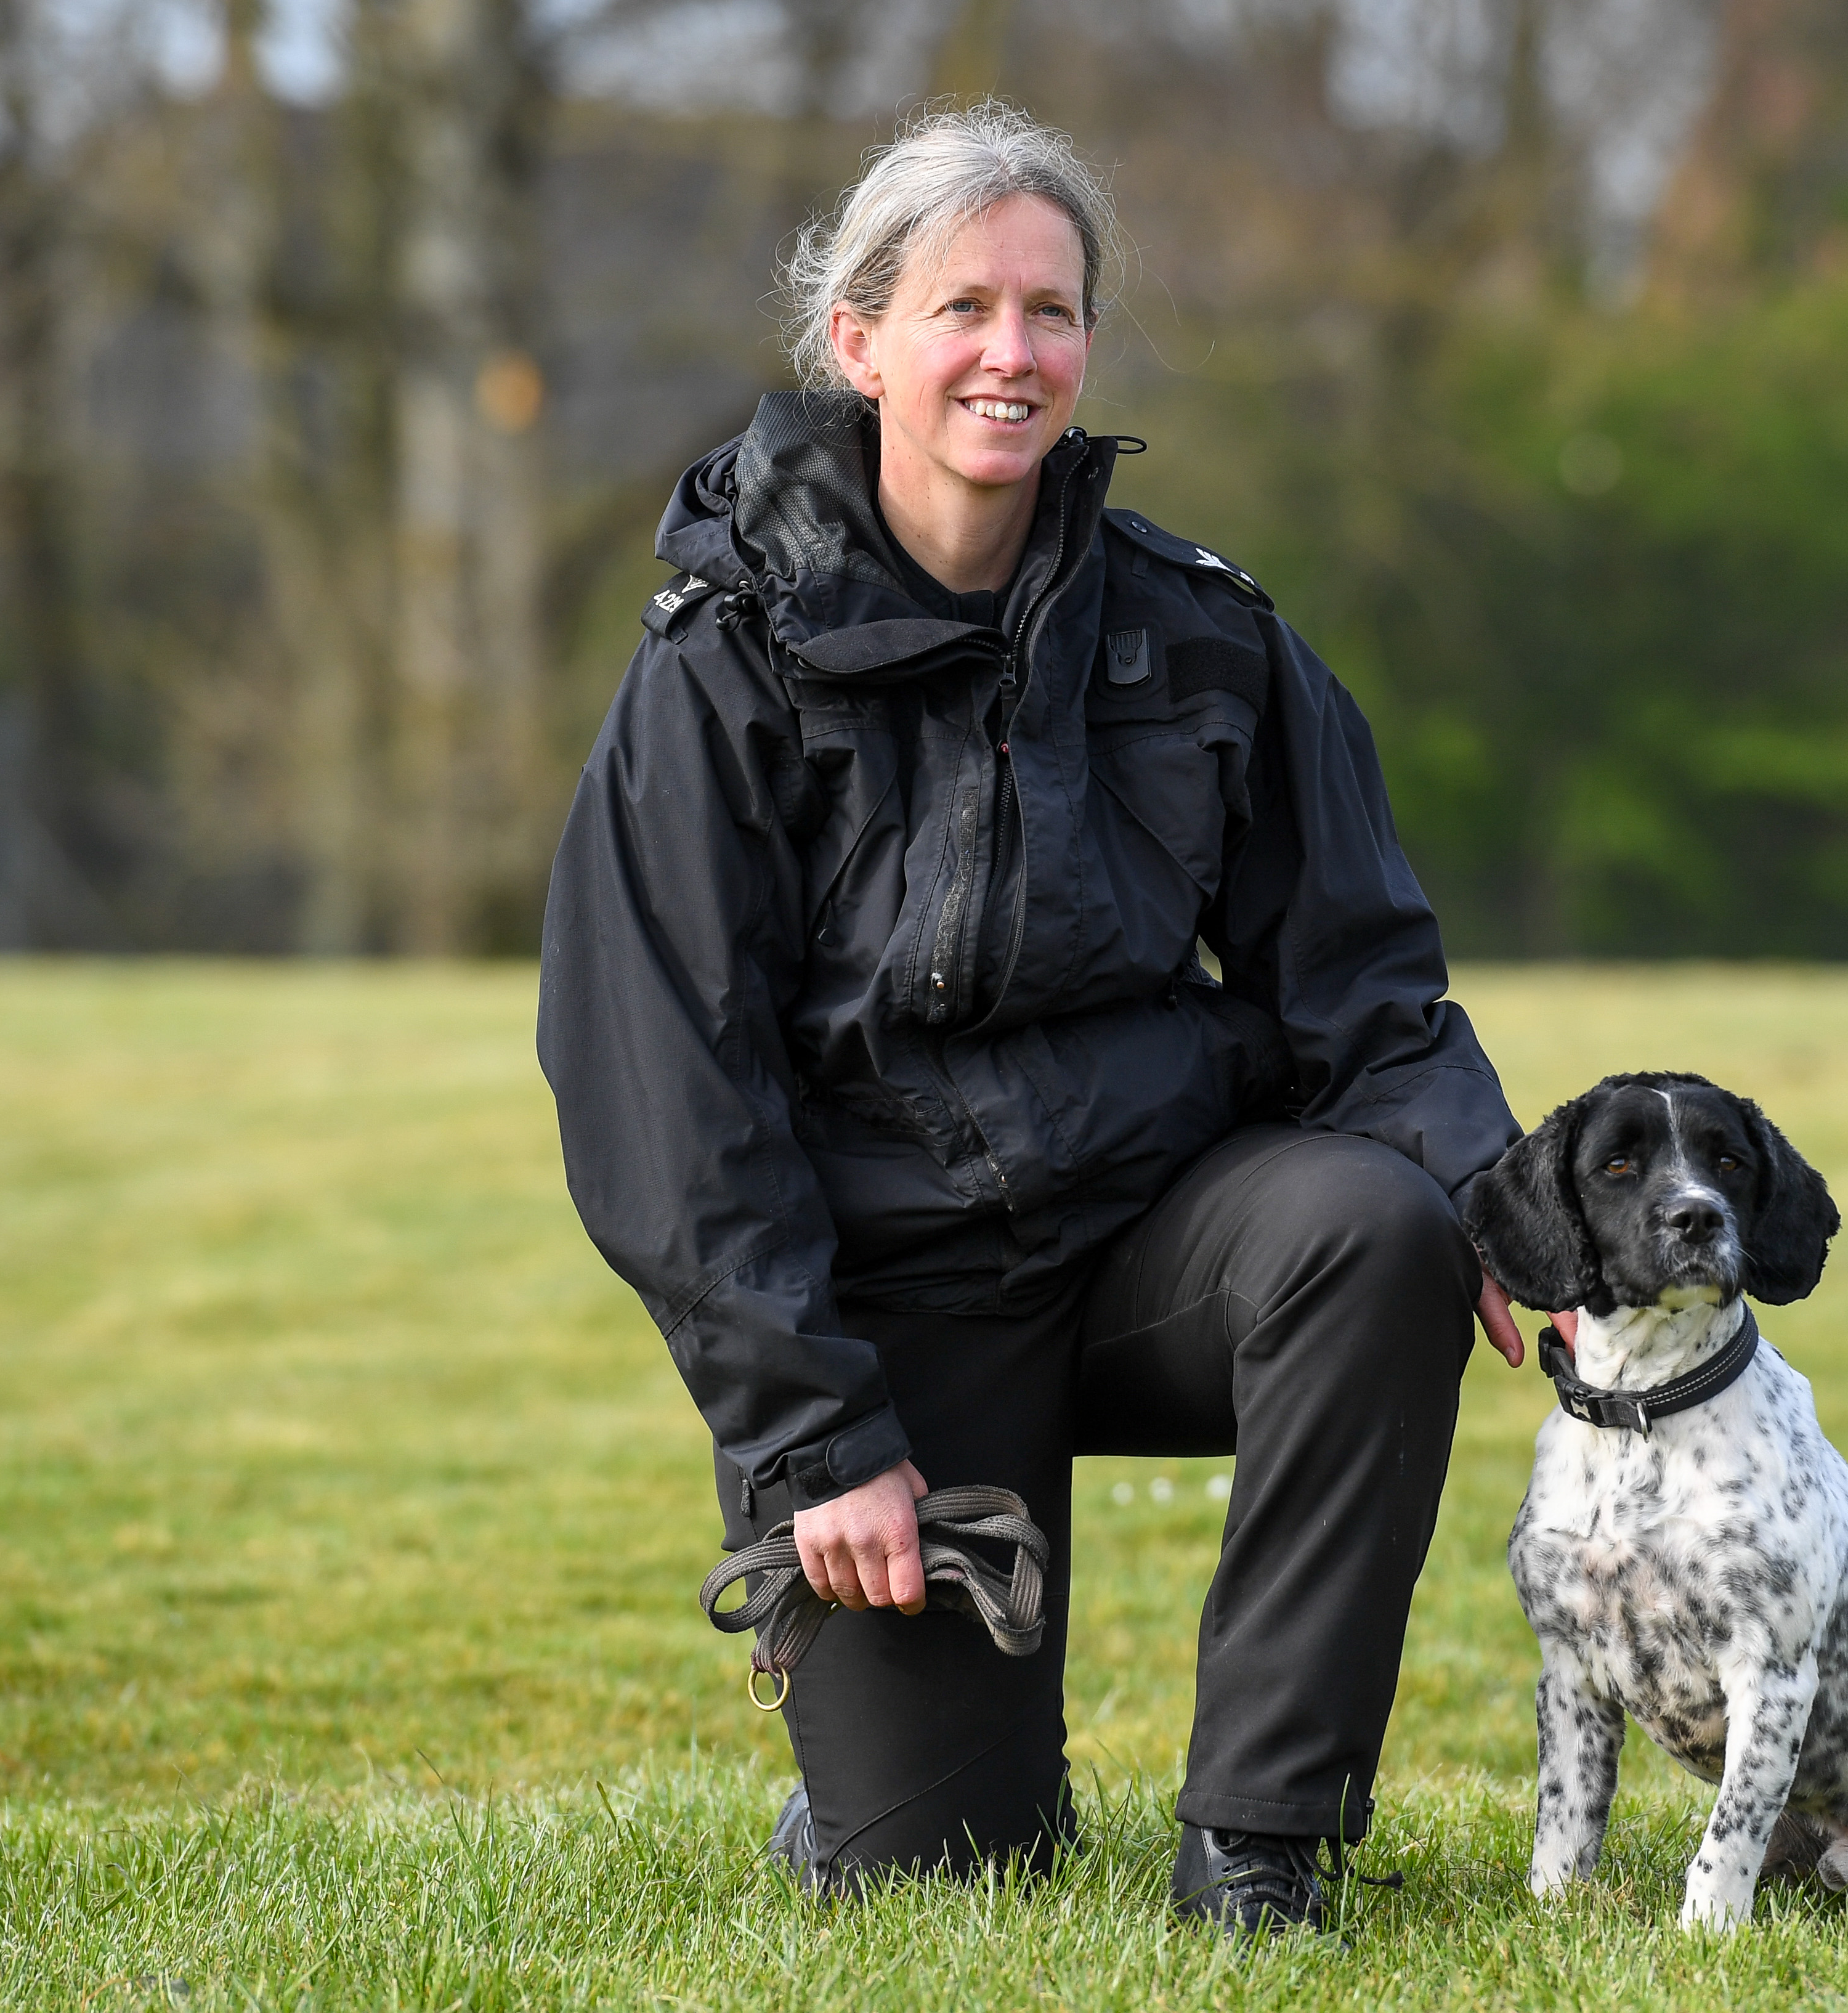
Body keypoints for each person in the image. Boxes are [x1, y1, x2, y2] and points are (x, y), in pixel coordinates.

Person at [537, 102, 1534, 1935]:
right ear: (859, 341)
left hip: (1164, 1236)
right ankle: (885, 1778)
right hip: (896, 1300)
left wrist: (1490, 1185)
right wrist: (808, 1433)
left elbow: (1365, 982)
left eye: (1052, 311)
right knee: (945, 1870)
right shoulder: (715, 667)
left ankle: (1261, 1843)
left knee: (1376, 1231)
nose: (1013, 352)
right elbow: (663, 1094)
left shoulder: (1204, 636)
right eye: (963, 309)